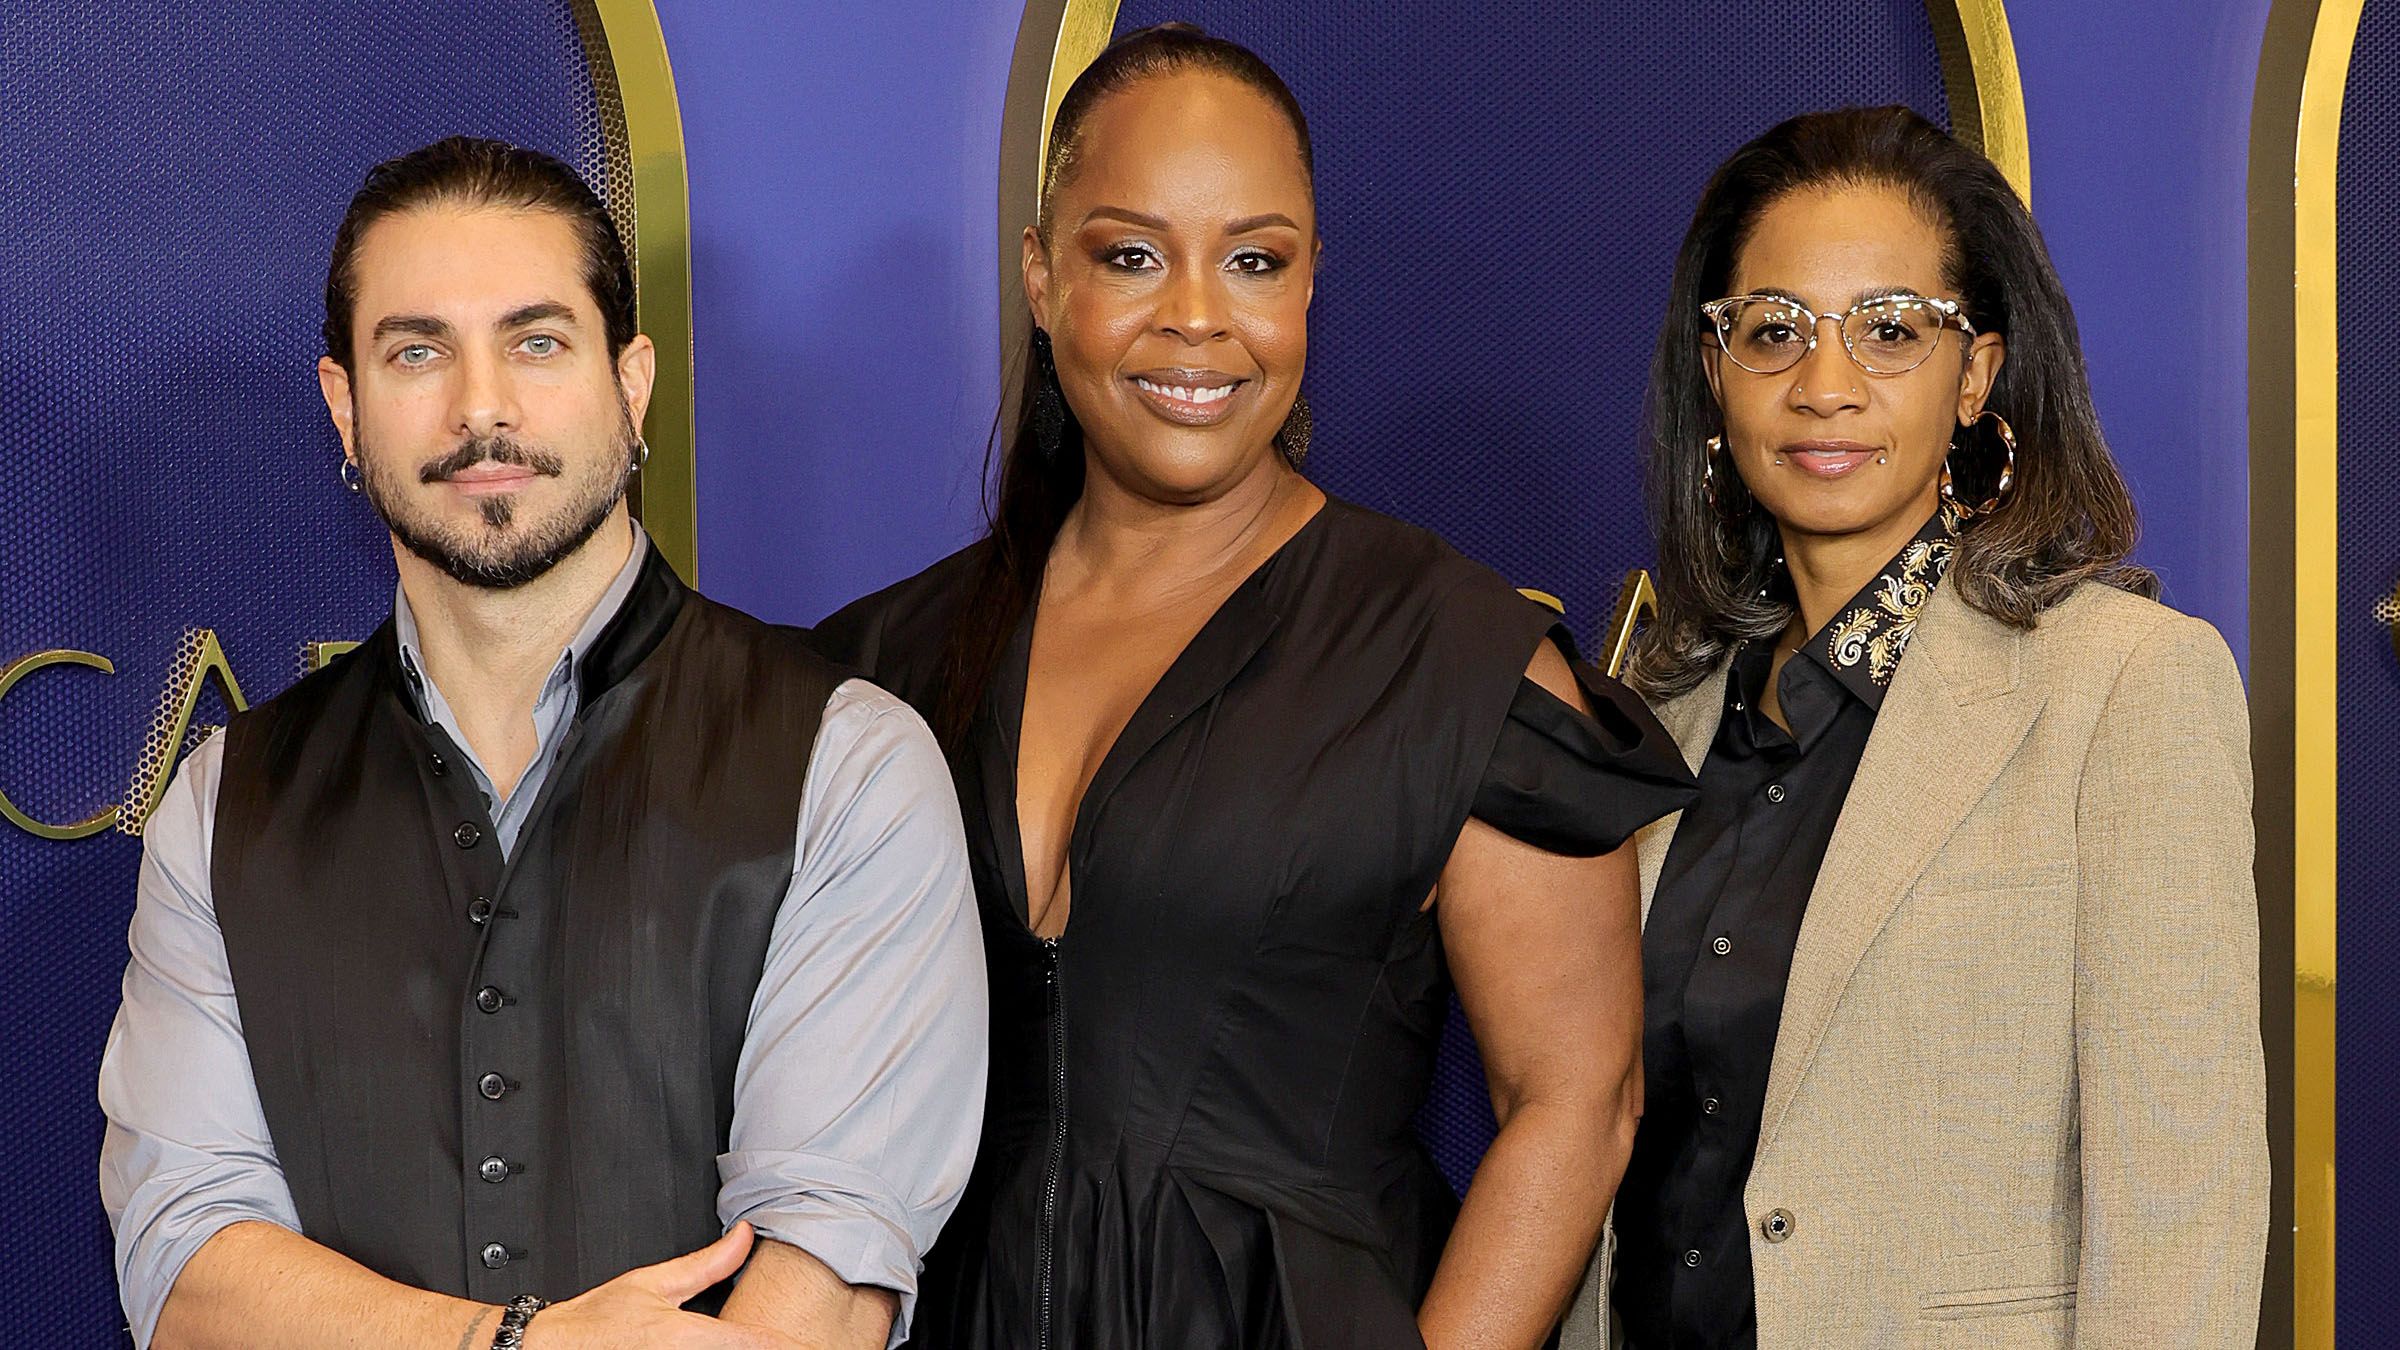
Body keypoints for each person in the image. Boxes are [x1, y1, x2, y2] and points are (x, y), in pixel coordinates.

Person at [811, 25, 1696, 1350]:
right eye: (1130, 255)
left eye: (1254, 261)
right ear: (1042, 279)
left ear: (1311, 281)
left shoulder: (1450, 655)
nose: (1197, 316)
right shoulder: (884, 663)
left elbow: (1578, 1100)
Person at [97, 137, 987, 1350]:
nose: (482, 408)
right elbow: (188, 1265)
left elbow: (826, 1278)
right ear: (344, 408)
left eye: (536, 342)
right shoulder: (223, 805)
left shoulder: (848, 766)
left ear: (632, 382)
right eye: (418, 352)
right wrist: (507, 1344)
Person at [1560, 107, 2268, 1348]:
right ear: (1715, 374)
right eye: (1773, 330)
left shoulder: (2126, 687)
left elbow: (2183, 1208)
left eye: (1890, 330)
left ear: (1976, 375)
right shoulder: (1659, 709)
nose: (1825, 385)